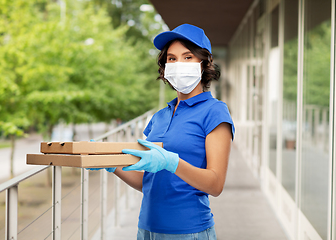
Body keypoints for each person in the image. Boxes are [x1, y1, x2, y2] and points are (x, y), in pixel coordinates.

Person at [90, 23, 235, 240]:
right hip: (147, 229)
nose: (178, 64)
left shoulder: (215, 112)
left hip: (189, 231)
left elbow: (215, 184)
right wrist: (111, 163)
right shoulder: (159, 117)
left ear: (204, 64)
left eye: (187, 57)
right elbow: (147, 182)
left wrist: (172, 163)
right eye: (172, 58)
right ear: (165, 67)